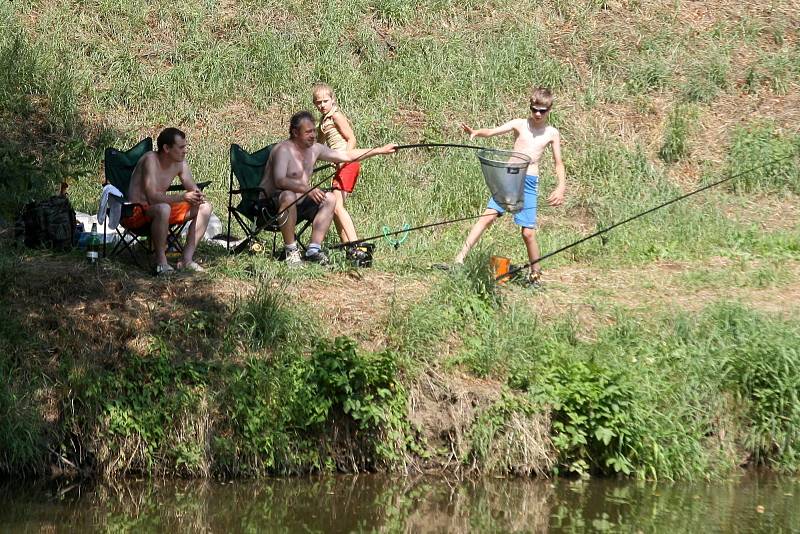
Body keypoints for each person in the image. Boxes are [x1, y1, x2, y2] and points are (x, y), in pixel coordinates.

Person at [454, 87, 566, 284]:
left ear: (550, 110)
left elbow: (558, 163)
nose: (538, 114)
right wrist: (477, 132)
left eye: (542, 111)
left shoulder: (552, 133)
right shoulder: (520, 124)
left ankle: (536, 275)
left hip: (529, 182)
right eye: (534, 109)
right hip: (509, 179)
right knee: (486, 217)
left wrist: (560, 187)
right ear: (530, 108)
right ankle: (459, 260)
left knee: (528, 233)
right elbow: (492, 132)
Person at [259, 110, 397, 267]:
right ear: (295, 132)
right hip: (271, 204)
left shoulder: (315, 149)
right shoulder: (283, 149)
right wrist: (308, 189)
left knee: (330, 198)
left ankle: (313, 250)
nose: (313, 135)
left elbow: (347, 156)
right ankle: (291, 251)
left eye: (314, 131)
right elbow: (280, 180)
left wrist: (379, 150)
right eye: (308, 132)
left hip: (300, 202)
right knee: (288, 196)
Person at [124, 127, 213, 276]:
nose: (185, 151)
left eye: (186, 146)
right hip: (135, 212)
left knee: (205, 207)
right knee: (163, 208)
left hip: (161, 211)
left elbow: (193, 190)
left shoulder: (180, 164)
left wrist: (197, 196)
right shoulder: (150, 159)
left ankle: (186, 260)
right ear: (166, 148)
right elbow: (152, 197)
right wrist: (183, 197)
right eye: (181, 147)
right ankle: (161, 262)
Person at [312, 83, 366, 262]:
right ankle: (348, 247)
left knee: (336, 206)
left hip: (348, 163)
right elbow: (318, 147)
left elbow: (351, 138)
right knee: (336, 209)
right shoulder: (323, 122)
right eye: (318, 102)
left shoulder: (336, 116)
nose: (322, 105)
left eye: (325, 101)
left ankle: (356, 244)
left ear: (332, 100)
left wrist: (344, 159)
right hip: (340, 164)